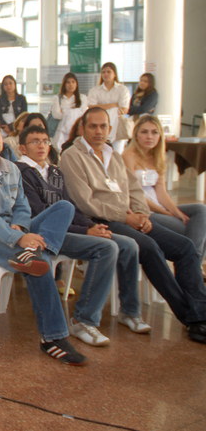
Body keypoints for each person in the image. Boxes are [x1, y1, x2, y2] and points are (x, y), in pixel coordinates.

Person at [60, 107, 206, 344]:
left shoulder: (113, 155)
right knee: (149, 248)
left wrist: (141, 214)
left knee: (185, 247)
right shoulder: (72, 156)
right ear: (83, 128)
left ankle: (200, 312)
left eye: (103, 126)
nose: (99, 131)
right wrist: (126, 217)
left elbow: (135, 189)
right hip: (101, 220)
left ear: (110, 129)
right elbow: (85, 202)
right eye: (93, 126)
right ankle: (192, 317)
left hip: (130, 217)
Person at [0, 116, 87, 365]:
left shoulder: (12, 168)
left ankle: (35, 252)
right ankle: (53, 339)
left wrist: (22, 228)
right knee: (40, 265)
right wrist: (18, 237)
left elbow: (23, 206)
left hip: (15, 232)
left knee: (64, 207)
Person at [16, 125, 150, 346]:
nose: (41, 146)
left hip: (70, 230)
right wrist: (85, 231)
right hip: (44, 235)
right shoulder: (21, 173)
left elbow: (72, 207)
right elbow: (39, 214)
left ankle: (130, 311)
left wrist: (93, 227)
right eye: (34, 141)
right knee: (107, 248)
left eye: (45, 141)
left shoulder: (55, 172)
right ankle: (83, 320)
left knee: (129, 244)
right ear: (22, 147)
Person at [122, 115, 206, 261]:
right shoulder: (128, 156)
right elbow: (134, 194)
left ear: (160, 136)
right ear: (136, 135)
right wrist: (166, 213)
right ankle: (194, 264)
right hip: (142, 208)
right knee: (192, 230)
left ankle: (193, 263)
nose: (150, 136)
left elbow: (161, 192)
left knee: (201, 210)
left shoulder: (157, 156)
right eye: (144, 132)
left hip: (158, 206)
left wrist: (177, 213)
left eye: (154, 132)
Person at [88, 62, 130, 149]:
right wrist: (113, 105)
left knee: (117, 153)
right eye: (103, 72)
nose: (106, 74)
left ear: (115, 74)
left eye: (109, 72)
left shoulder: (122, 89)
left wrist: (100, 107)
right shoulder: (95, 90)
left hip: (118, 127)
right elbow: (91, 108)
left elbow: (124, 110)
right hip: (99, 125)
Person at [51, 72, 88, 149]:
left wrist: (68, 113)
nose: (71, 84)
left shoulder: (82, 97)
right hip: (61, 129)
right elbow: (56, 114)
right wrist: (71, 114)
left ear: (76, 84)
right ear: (64, 84)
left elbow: (84, 113)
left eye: (73, 82)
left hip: (76, 129)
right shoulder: (58, 98)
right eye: (68, 82)